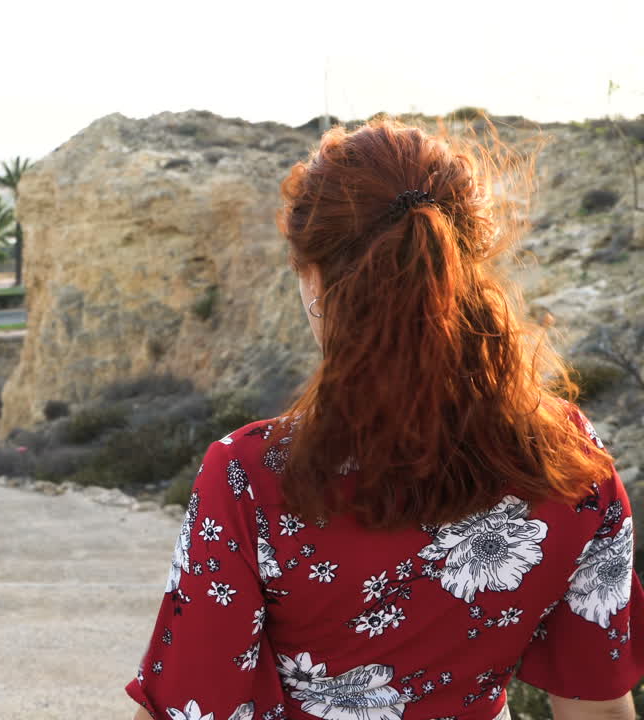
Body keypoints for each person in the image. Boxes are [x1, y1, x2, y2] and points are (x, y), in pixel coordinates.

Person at [125, 119, 643, 720]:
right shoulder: (565, 457)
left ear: (314, 281)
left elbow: (189, 708)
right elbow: (599, 708)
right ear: (467, 268)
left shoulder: (249, 477)